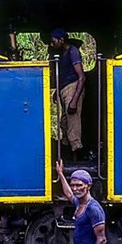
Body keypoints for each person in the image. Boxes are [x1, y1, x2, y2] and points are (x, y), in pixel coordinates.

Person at [50, 29, 85, 160]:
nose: (52, 45)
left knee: (73, 122)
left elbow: (81, 77)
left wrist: (74, 99)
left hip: (73, 87)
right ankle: (67, 151)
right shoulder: (62, 53)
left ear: (61, 40)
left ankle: (76, 152)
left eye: (54, 42)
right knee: (64, 121)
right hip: (64, 89)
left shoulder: (73, 51)